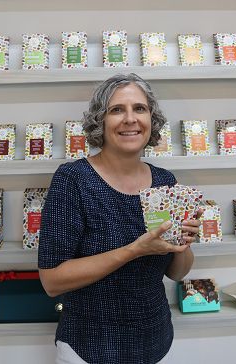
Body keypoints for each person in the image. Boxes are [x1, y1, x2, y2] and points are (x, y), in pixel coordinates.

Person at [38, 73, 201, 364]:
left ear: (152, 119)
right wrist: (134, 251)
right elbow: (52, 281)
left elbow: (177, 273)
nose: (130, 119)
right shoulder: (73, 180)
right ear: (100, 121)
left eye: (140, 108)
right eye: (117, 110)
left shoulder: (165, 181)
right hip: (88, 349)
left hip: (156, 343)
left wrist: (184, 242)